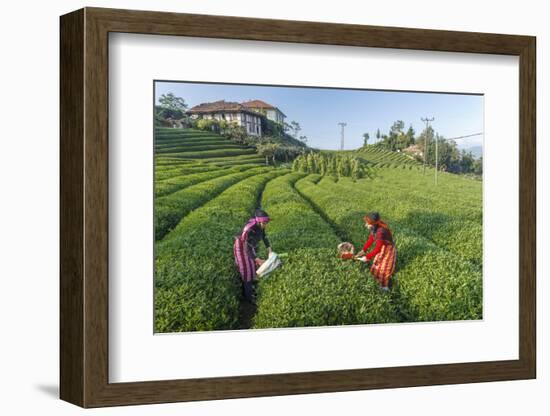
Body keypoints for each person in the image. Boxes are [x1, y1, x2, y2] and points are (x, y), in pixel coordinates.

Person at [233, 208, 272, 303]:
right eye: (264, 223)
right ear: (259, 222)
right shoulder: (250, 230)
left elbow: (264, 236)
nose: (265, 225)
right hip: (242, 247)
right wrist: (258, 259)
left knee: (252, 267)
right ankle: (249, 298)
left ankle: (251, 289)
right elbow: (247, 249)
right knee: (246, 271)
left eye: (266, 223)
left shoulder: (261, 226)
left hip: (249, 246)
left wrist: (269, 250)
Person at [355, 211, 397, 291]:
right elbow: (371, 239)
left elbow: (377, 249)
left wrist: (366, 257)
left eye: (367, 224)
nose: (365, 225)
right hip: (382, 247)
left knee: (384, 269)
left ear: (373, 224)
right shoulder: (375, 227)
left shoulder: (380, 232)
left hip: (388, 249)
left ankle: (385, 288)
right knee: (377, 264)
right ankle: (376, 283)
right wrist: (363, 250)